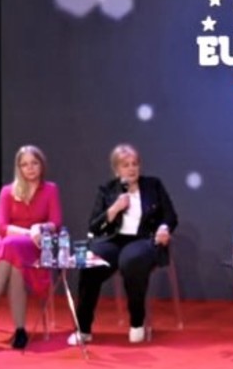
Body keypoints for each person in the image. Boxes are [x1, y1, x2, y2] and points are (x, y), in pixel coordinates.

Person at [69, 143, 178, 345]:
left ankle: (137, 321)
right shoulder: (108, 190)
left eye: (135, 164)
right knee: (89, 264)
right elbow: (94, 226)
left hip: (145, 239)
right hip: (114, 240)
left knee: (131, 260)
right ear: (116, 170)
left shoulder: (153, 185)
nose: (131, 168)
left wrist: (164, 228)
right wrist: (114, 209)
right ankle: (83, 329)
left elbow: (170, 216)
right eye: (125, 165)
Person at [0, 145, 63, 350]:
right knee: (13, 257)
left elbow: (56, 222)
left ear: (42, 165)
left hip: (35, 246)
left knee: (10, 249)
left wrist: (40, 227)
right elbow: (2, 227)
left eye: (34, 163)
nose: (30, 168)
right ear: (18, 168)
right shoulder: (7, 191)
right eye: (24, 164)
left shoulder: (50, 189)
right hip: (10, 244)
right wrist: (29, 232)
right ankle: (20, 330)